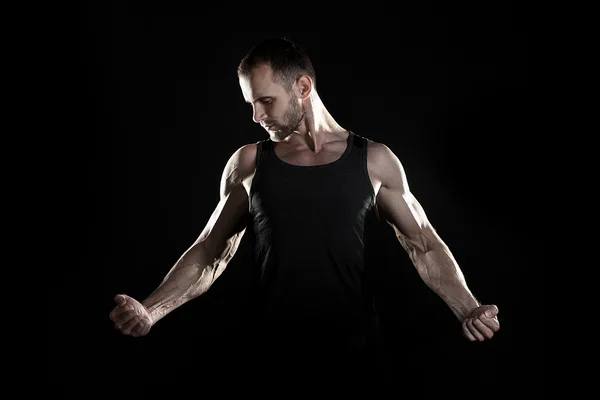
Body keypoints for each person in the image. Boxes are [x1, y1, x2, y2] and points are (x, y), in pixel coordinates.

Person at [109, 36, 500, 394]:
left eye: (265, 101)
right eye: (251, 104)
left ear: (302, 87)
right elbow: (211, 252)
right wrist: (151, 309)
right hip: (272, 358)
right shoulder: (249, 163)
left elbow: (424, 245)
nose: (256, 116)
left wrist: (468, 308)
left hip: (357, 358)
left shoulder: (375, 160)